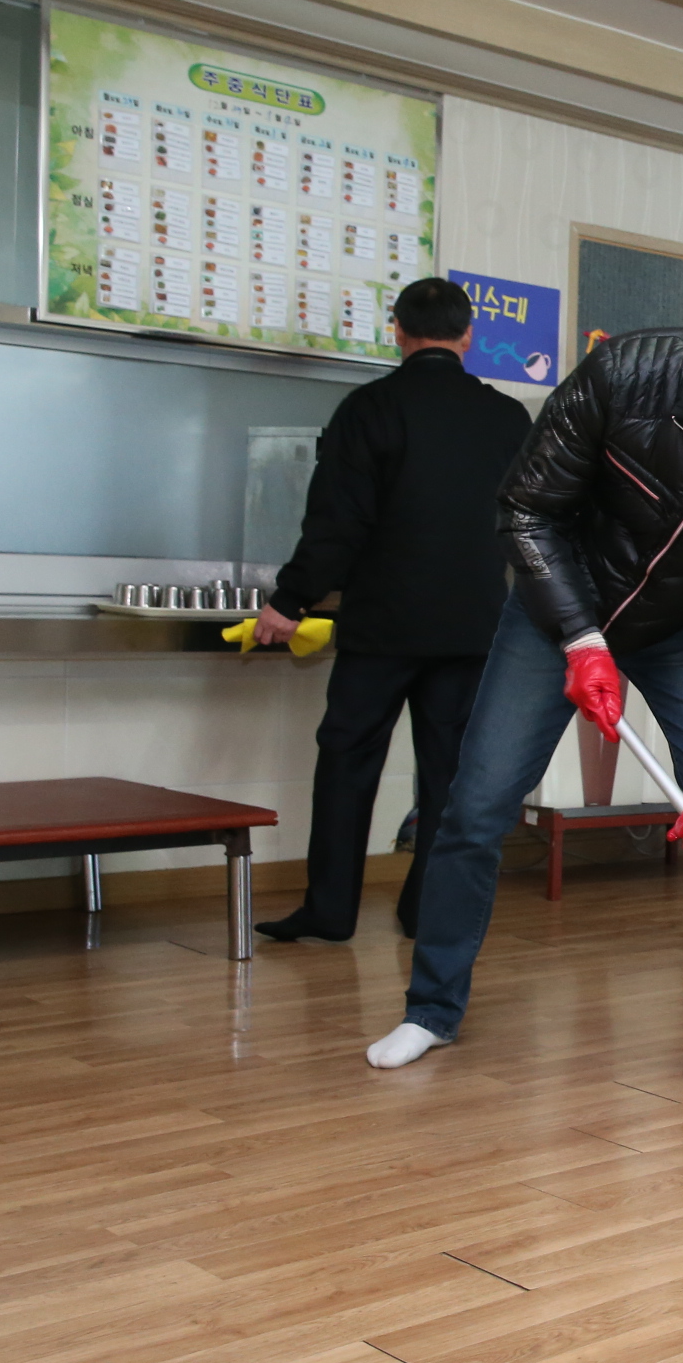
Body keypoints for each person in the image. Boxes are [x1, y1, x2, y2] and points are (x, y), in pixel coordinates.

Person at [363, 271, 683, 1098]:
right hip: (558, 612)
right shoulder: (628, 376)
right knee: (476, 806)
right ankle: (431, 1007)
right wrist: (582, 639)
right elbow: (526, 510)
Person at [255, 277, 533, 944]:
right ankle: (425, 910)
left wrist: (290, 601)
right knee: (449, 776)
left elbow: (337, 524)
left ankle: (329, 911)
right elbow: (530, 524)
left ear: (399, 333)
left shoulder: (369, 409)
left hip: (381, 627)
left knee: (348, 762)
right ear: (468, 338)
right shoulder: (508, 420)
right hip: (473, 626)